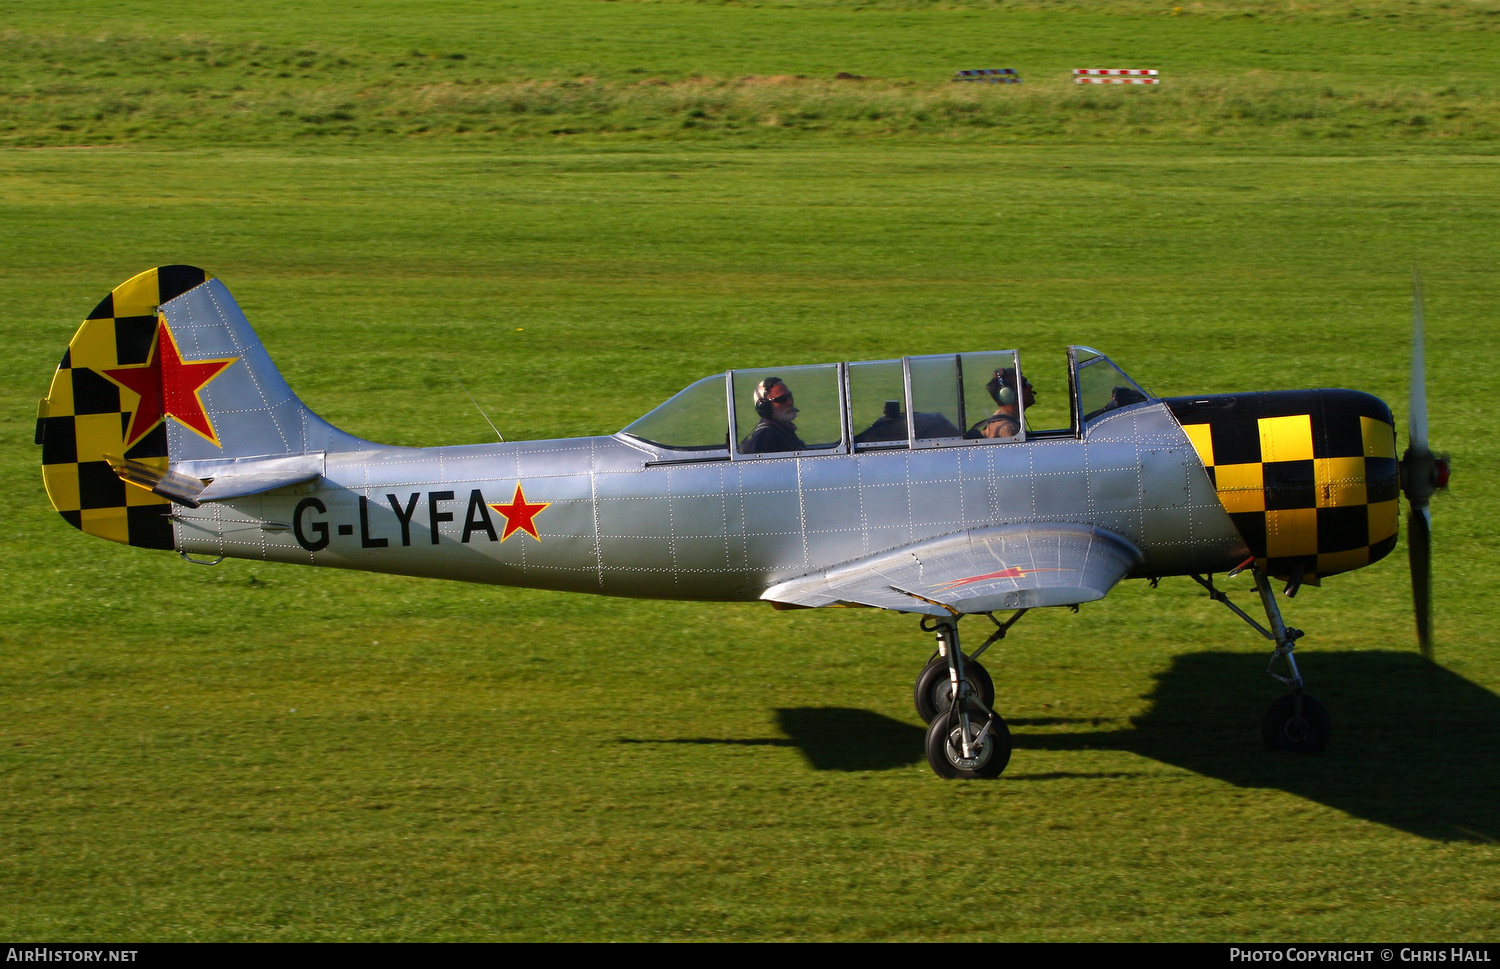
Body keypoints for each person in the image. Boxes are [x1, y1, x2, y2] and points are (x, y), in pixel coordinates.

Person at [739, 376, 806, 454]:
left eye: (789, 396)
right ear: (765, 407)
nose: (790, 402)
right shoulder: (766, 437)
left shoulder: (782, 429)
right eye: (782, 399)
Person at [967, 367, 1035, 439]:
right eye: (1024, 384)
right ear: (1008, 394)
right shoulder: (1008, 430)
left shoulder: (1008, 422)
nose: (1030, 387)